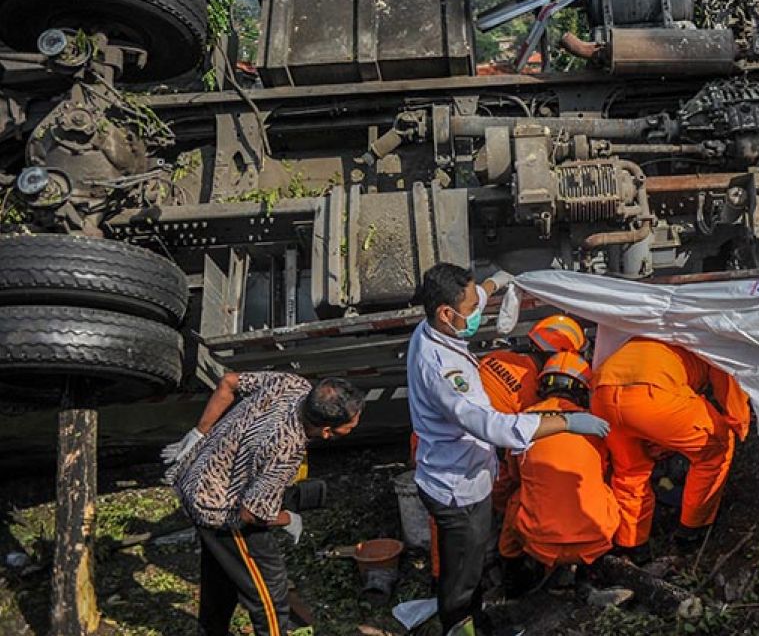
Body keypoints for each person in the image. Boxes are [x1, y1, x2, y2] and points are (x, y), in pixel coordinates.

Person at [407, 263, 610, 635]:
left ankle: (475, 619)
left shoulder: (431, 330)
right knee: (462, 577)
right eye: (472, 309)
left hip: (461, 473)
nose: (477, 313)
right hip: (457, 486)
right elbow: (493, 426)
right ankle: (462, 628)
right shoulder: (443, 370)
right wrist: (565, 422)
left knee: (466, 566)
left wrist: (493, 283)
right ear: (447, 313)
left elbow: (475, 297)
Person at [161, 372, 364, 636]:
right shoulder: (286, 448)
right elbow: (251, 513)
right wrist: (289, 519)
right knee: (269, 593)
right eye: (350, 427)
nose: (354, 427)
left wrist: (200, 431)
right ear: (326, 432)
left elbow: (229, 382)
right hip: (220, 508)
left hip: (197, 477)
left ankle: (211, 631)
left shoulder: (292, 384)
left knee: (222, 573)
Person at [590, 337, 750, 560]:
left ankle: (632, 545)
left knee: (630, 472)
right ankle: (692, 530)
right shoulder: (714, 339)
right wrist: (738, 423)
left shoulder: (653, 333)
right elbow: (727, 379)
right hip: (654, 394)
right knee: (716, 449)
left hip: (602, 395)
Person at [499, 351, 619, 588]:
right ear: (583, 390)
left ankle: (511, 574)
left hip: (538, 543)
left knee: (516, 497)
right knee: (606, 489)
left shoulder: (523, 422)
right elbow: (606, 469)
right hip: (595, 540)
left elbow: (513, 475)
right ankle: (596, 573)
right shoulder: (596, 424)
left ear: (542, 385)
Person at [483, 313, 587, 512]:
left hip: (441, 441)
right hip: (484, 457)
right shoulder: (532, 400)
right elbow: (519, 443)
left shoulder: (495, 357)